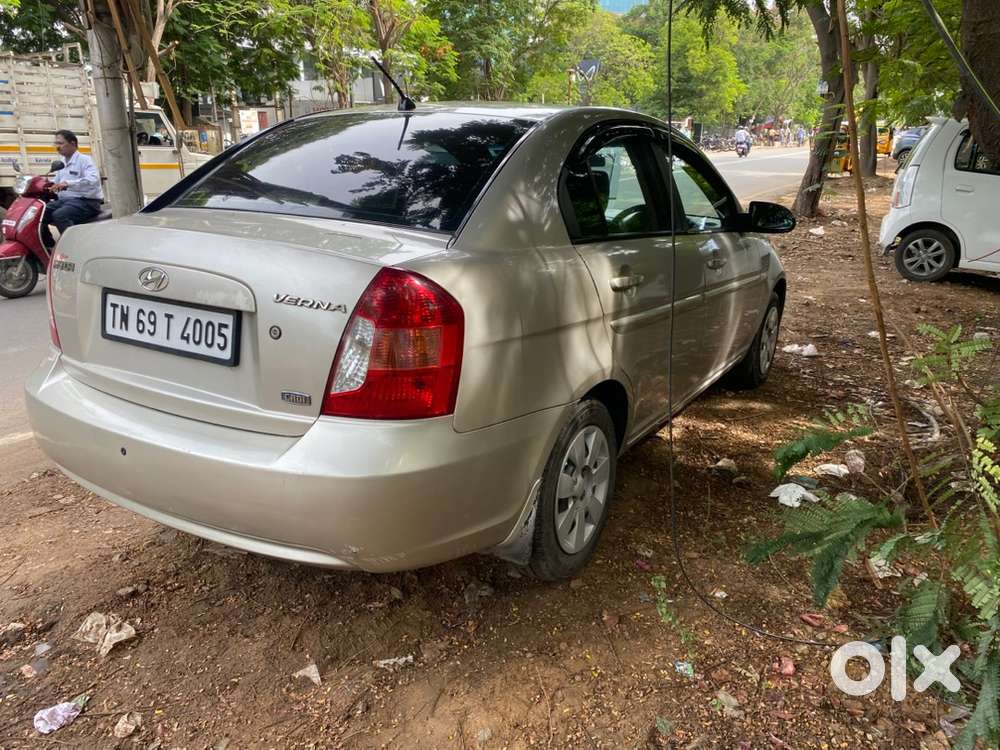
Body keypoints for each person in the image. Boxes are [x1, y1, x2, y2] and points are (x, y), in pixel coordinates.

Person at [42, 129, 103, 249]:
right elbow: (56, 182)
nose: (57, 147)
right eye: (56, 143)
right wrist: (44, 184)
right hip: (66, 201)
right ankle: (47, 246)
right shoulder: (62, 163)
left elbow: (93, 179)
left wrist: (68, 183)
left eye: (60, 143)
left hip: (86, 202)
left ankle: (75, 248)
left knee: (60, 215)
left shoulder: (85, 160)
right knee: (39, 212)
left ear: (73, 143)